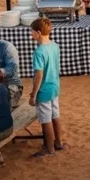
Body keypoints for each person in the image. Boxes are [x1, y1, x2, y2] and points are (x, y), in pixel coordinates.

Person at [29, 17, 64, 158]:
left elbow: (39, 74)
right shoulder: (54, 45)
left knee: (45, 119)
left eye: (32, 32)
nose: (31, 34)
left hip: (44, 89)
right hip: (55, 86)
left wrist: (33, 94)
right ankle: (59, 142)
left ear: (38, 32)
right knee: (55, 115)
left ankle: (49, 149)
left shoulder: (39, 52)